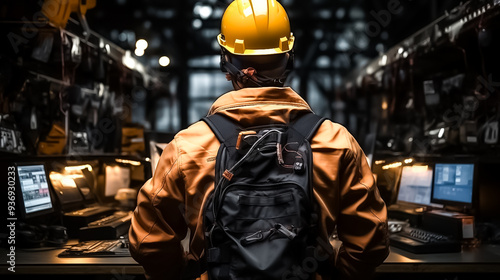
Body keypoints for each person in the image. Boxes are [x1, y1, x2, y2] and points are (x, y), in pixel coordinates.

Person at [128, 0, 390, 279]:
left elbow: (149, 242)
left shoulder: (187, 145)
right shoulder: (337, 142)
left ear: (225, 61)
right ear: (288, 57)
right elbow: (371, 243)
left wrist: (185, 273)